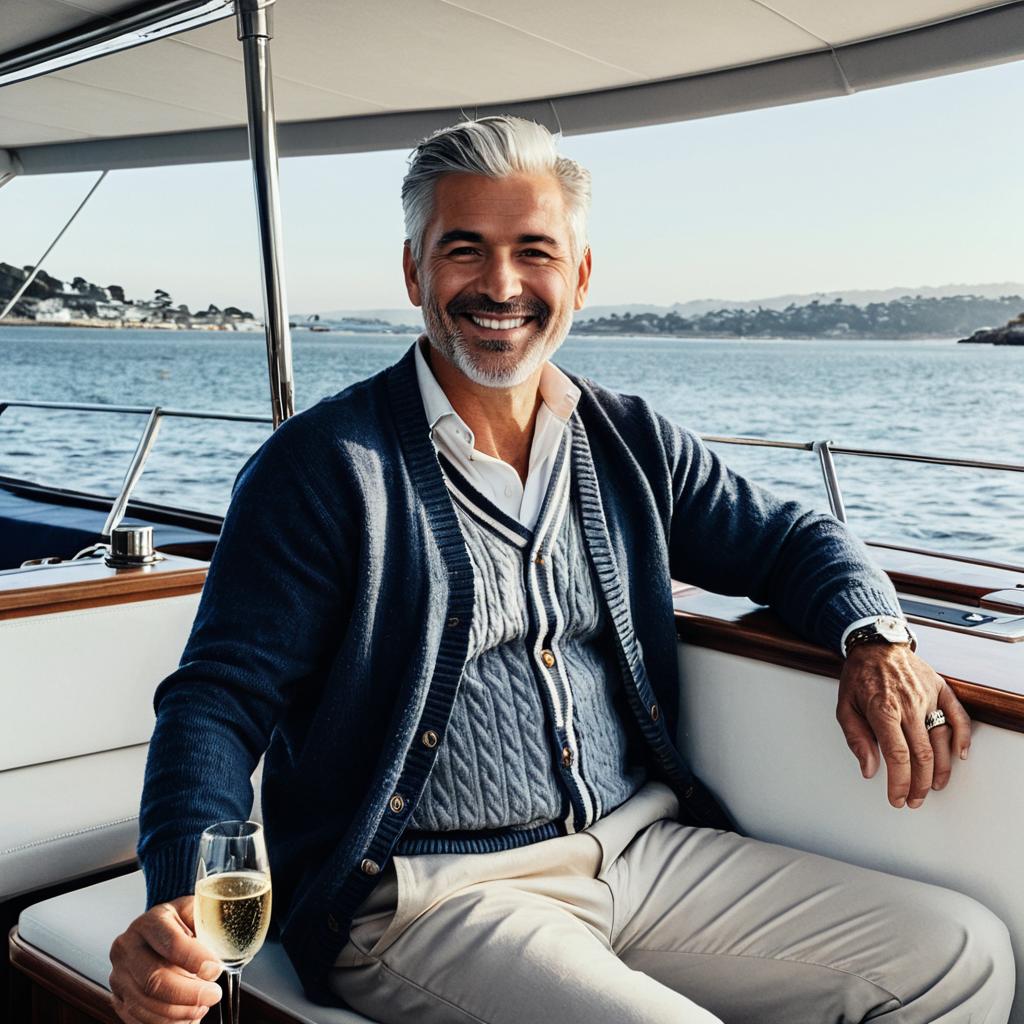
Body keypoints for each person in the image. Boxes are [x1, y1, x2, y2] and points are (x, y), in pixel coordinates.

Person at [109, 117, 1014, 1024]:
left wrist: (874, 636)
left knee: (960, 955)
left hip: (642, 851)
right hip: (430, 897)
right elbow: (216, 703)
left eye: (533, 251)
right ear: (414, 272)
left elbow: (787, 539)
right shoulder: (325, 466)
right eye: (464, 250)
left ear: (578, 275)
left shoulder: (629, 440)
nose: (500, 284)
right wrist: (187, 904)